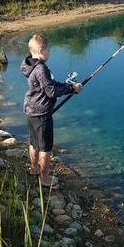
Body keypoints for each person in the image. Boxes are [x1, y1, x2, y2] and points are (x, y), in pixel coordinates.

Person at [21, 33, 82, 189]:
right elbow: (51, 91)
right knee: (45, 148)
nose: (50, 53)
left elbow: (49, 85)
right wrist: (71, 88)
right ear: (41, 50)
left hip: (31, 110)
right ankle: (44, 179)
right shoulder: (41, 68)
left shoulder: (29, 64)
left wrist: (68, 87)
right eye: (48, 51)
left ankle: (34, 169)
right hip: (42, 114)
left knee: (34, 143)